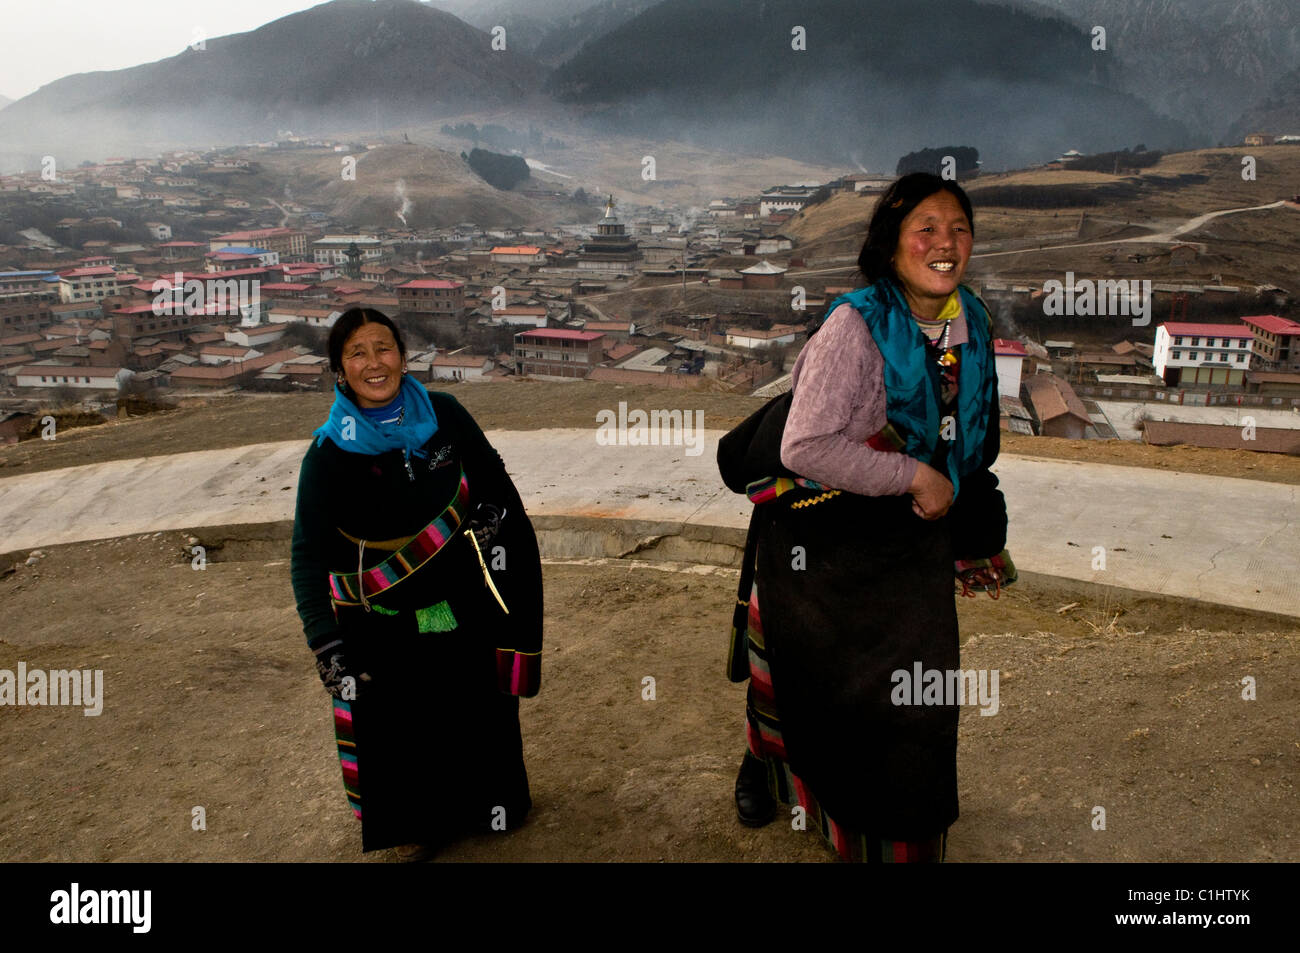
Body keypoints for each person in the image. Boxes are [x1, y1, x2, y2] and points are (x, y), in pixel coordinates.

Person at [718, 173, 1013, 862]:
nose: (946, 243)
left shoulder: (971, 323)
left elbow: (974, 431)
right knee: (807, 680)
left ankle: (897, 837)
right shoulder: (854, 328)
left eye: (959, 228)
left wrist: (964, 502)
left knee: (915, 708)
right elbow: (806, 445)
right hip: (820, 548)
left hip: (908, 547)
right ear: (891, 246)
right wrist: (913, 474)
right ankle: (764, 763)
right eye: (928, 228)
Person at [291, 307, 543, 860]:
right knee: (406, 725)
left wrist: (490, 518)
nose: (373, 363)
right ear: (339, 369)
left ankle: (491, 807)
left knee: (477, 709)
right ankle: (424, 824)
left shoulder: (446, 416)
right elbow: (307, 553)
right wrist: (324, 641)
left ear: (403, 356)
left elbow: (495, 481)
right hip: (383, 625)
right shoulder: (328, 454)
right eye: (356, 353)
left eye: (383, 348)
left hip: (462, 608)